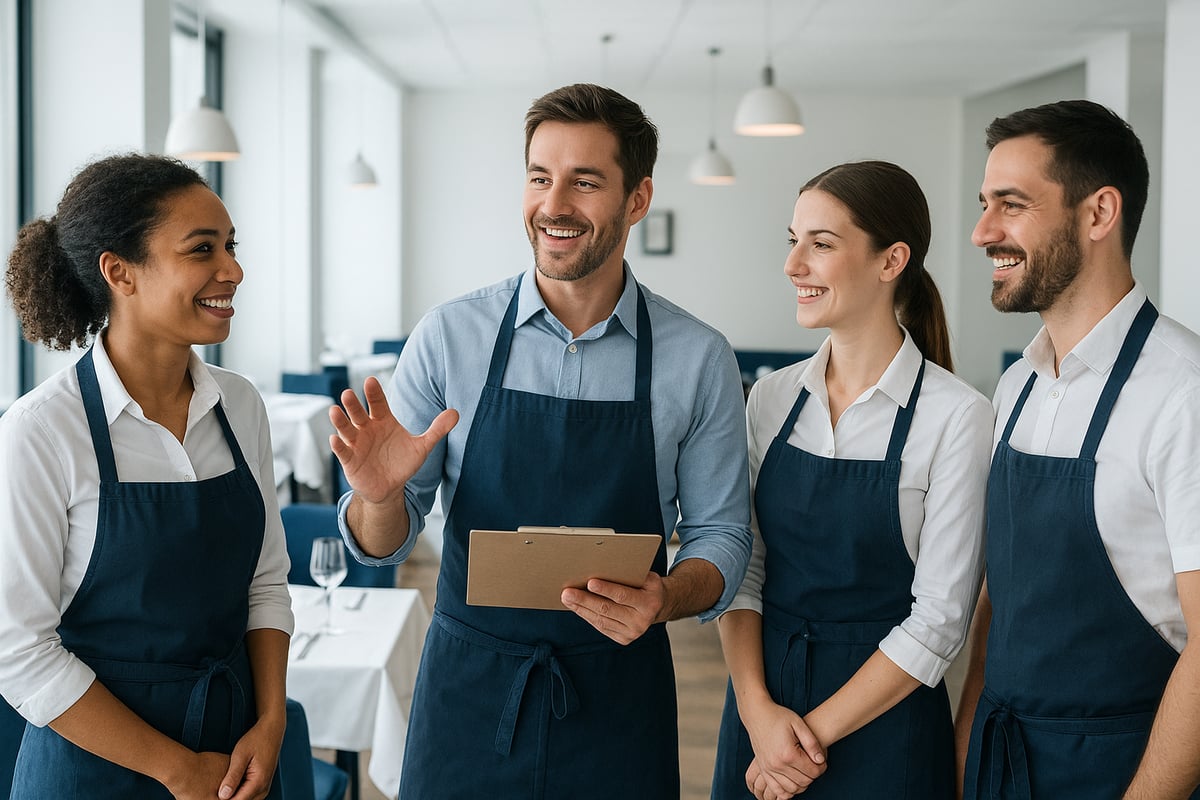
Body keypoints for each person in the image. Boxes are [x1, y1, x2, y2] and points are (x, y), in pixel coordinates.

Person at [329, 83, 752, 798]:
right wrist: (379, 498)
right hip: (468, 693)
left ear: (637, 200)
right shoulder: (449, 337)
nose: (553, 205)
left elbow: (721, 537)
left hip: (620, 694)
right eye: (538, 177)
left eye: (584, 183)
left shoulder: (698, 357)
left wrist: (668, 596)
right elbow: (384, 543)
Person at [0, 154, 294, 800]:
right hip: (92, 771)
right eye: (202, 250)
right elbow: (18, 652)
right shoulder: (44, 430)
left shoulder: (240, 406)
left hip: (235, 762)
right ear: (119, 272)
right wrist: (175, 769)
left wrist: (271, 723)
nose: (234, 270)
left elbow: (266, 582)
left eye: (231, 246)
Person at [710, 161, 993, 800]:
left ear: (892, 259)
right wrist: (758, 714)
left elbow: (940, 622)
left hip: (882, 729)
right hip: (761, 712)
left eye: (822, 244)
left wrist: (801, 740)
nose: (794, 264)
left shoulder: (957, 417)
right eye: (793, 241)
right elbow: (743, 568)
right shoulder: (770, 401)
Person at [957, 100, 1200, 799]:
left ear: (1098, 214)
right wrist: (966, 752)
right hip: (1003, 766)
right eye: (984, 204)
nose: (981, 232)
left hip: (1121, 772)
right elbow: (997, 606)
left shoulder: (1180, 394)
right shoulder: (1017, 386)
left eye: (1010, 204)